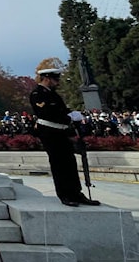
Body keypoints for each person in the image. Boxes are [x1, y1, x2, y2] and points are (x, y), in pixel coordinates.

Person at [29, 58, 100, 207]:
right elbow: (46, 113)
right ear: (46, 78)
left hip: (61, 132)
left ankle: (76, 192)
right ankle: (64, 194)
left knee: (69, 163)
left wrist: (73, 114)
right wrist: (67, 117)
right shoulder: (37, 94)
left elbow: (61, 109)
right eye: (55, 79)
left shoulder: (53, 94)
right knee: (58, 164)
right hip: (49, 132)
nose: (58, 81)